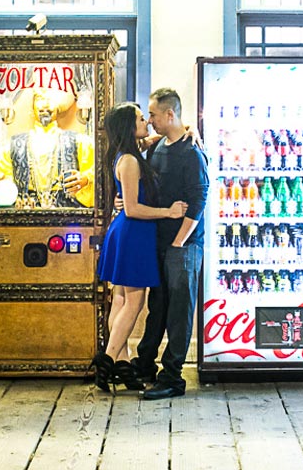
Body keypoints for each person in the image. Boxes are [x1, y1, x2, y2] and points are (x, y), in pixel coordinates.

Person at [92, 102, 187, 392]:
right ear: (128, 126)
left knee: (119, 301)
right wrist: (168, 212)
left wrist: (188, 128)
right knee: (134, 302)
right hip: (134, 232)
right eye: (139, 118)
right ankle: (106, 362)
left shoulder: (128, 153)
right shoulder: (130, 161)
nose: (145, 120)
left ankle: (123, 364)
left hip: (125, 232)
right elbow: (133, 209)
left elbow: (156, 137)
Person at [132, 87, 209, 400]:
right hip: (161, 241)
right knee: (158, 306)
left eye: (152, 114)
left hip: (183, 246)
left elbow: (198, 199)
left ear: (169, 114)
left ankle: (173, 377)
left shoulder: (192, 153)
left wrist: (178, 242)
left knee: (179, 311)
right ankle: (146, 365)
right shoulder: (158, 146)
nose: (149, 121)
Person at [0, 88, 95, 209]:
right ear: (32, 107)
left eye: (50, 100)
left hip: (69, 218)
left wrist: (86, 180)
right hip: (23, 218)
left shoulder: (81, 143)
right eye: (40, 99)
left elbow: (97, 178)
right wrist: (1, 185)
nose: (45, 105)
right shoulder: (9, 147)